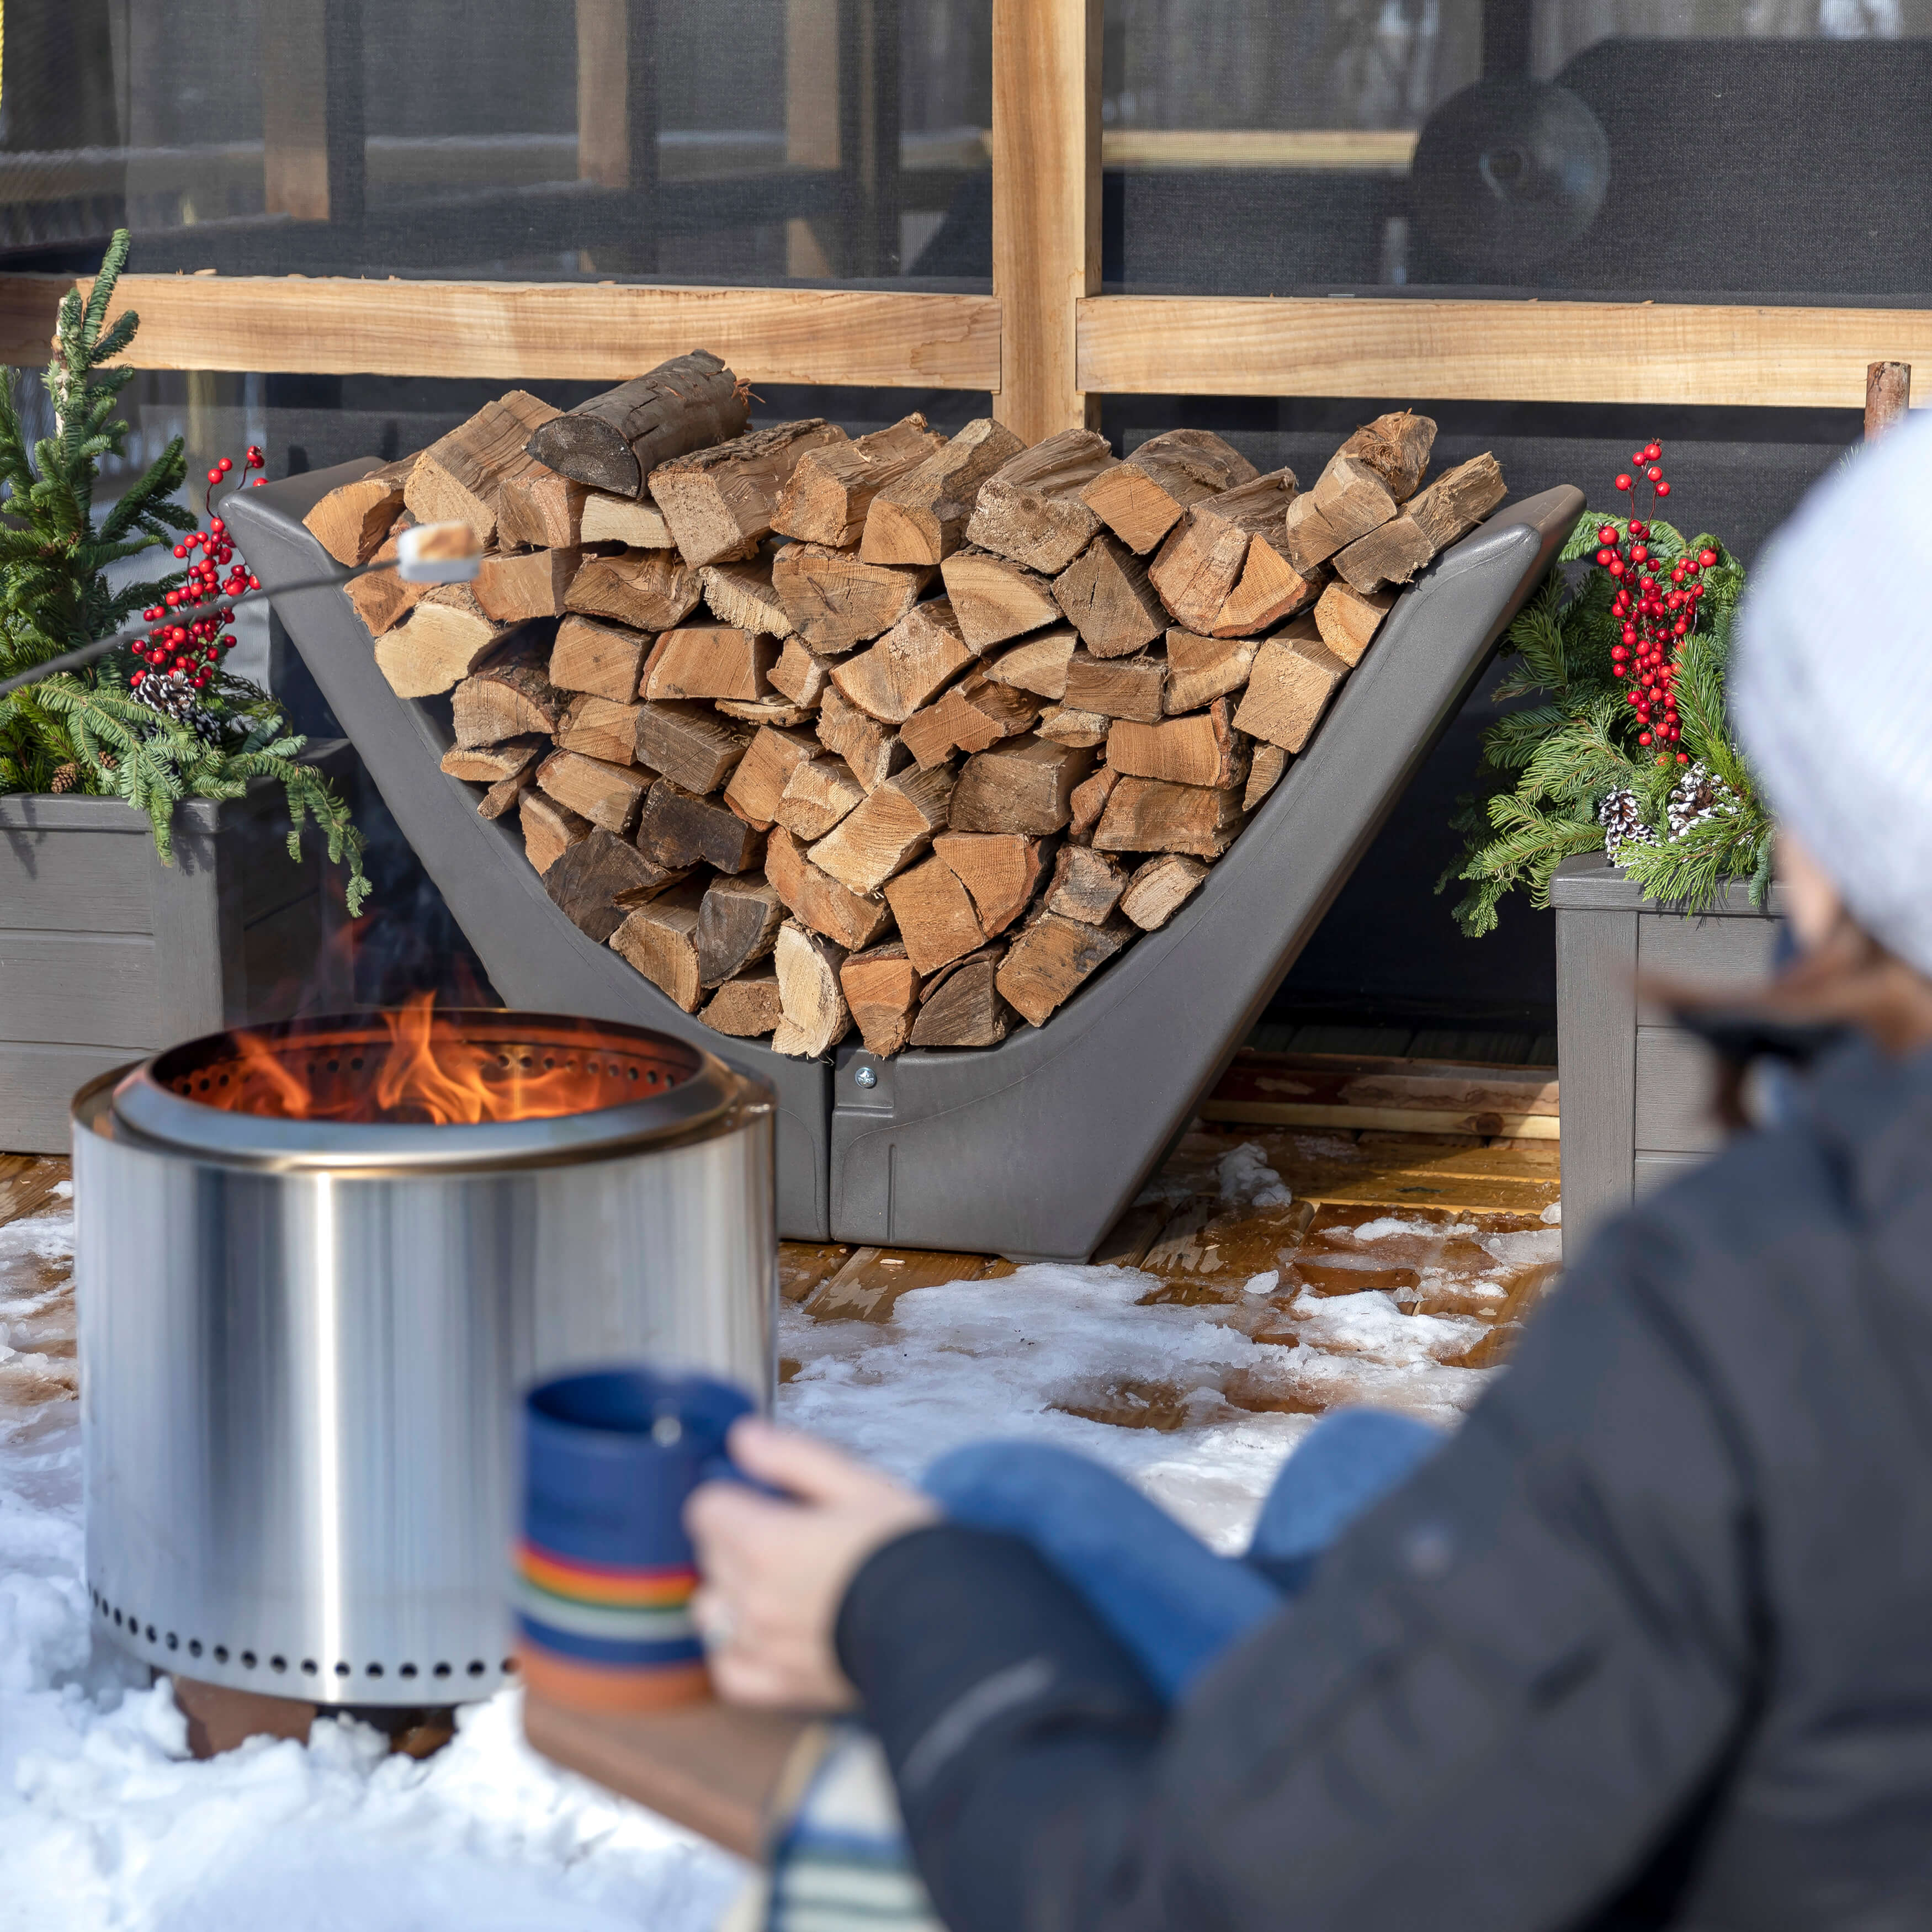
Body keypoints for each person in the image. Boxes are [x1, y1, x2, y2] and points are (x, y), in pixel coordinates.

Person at [687, 418, 1932, 1931]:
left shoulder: (1767, 1310)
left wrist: (898, 1604)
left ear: (1828, 849)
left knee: (1002, 1503)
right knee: (1351, 1472)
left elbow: (1190, 1902)